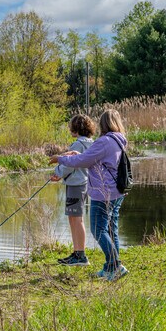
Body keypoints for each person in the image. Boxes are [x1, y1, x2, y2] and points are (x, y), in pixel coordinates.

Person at [49, 109, 129, 281]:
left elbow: (83, 162)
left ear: (103, 124)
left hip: (103, 192)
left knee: (97, 229)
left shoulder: (105, 141)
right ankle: (110, 267)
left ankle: (115, 265)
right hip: (116, 190)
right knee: (110, 229)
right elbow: (93, 159)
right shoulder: (119, 140)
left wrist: (60, 158)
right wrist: (79, 155)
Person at [51, 114, 95, 266]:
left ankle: (81, 255)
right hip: (82, 184)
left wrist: (57, 173)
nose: (70, 128)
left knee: (76, 219)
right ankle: (77, 253)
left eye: (71, 126)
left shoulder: (78, 144)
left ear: (76, 128)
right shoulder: (91, 143)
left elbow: (70, 164)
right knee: (74, 218)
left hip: (77, 184)